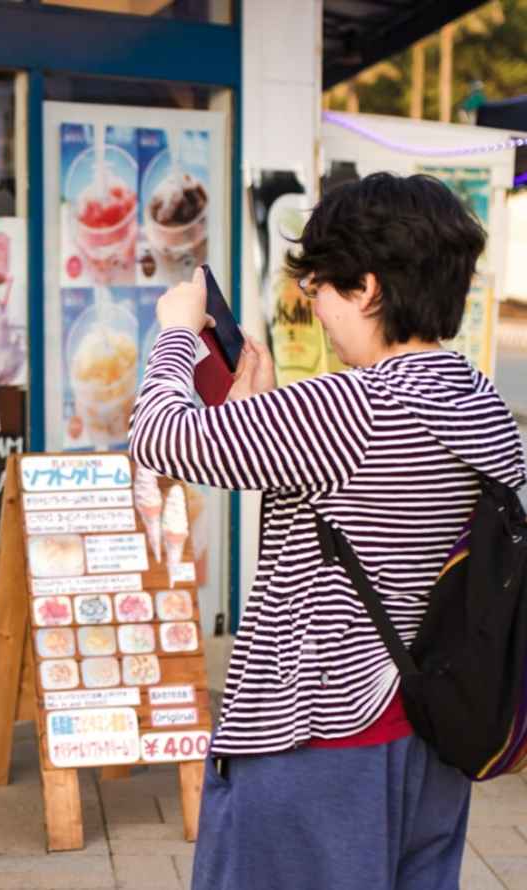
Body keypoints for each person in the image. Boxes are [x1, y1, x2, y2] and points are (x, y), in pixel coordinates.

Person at [129, 173, 526, 890]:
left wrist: (176, 334)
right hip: (432, 732)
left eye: (318, 291)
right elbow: (363, 507)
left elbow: (158, 436)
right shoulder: (479, 402)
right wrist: (258, 411)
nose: (315, 310)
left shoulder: (352, 404)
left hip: (318, 740)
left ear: (367, 288)